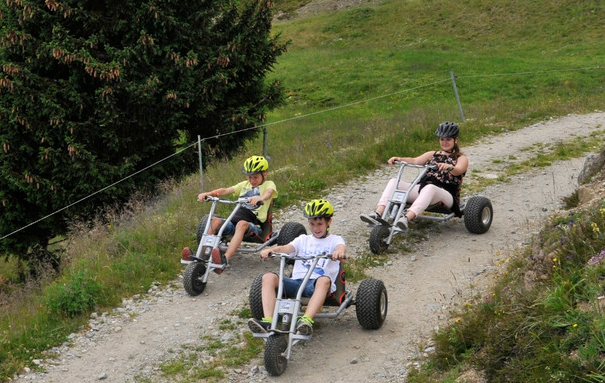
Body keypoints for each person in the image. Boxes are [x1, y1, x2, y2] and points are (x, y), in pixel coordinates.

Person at [247, 198, 346, 337]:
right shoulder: (303, 240)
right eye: (312, 224)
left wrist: (339, 252)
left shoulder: (335, 240)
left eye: (320, 224)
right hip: (296, 283)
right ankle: (269, 321)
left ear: (329, 222)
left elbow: (340, 247)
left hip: (315, 284)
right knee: (268, 277)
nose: (316, 228)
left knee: (324, 280)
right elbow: (286, 248)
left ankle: (305, 321)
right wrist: (273, 251)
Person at [360, 121, 469, 231]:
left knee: (430, 188)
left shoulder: (461, 158)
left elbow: (458, 170)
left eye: (448, 139)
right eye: (442, 139)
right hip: (423, 190)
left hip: (446, 195)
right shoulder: (433, 154)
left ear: (456, 140)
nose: (445, 142)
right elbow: (415, 160)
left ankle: (406, 218)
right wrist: (399, 158)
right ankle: (377, 214)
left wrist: (449, 167)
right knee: (394, 182)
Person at [181, 155, 278, 273]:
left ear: (265, 174)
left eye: (255, 177)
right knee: (214, 221)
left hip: (254, 226)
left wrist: (260, 198)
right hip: (234, 221)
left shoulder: (268, 184)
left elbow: (269, 192)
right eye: (250, 177)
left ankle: (224, 259)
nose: (252, 181)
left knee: (241, 224)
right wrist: (209, 194)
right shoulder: (244, 185)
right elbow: (226, 190)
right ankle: (201, 256)